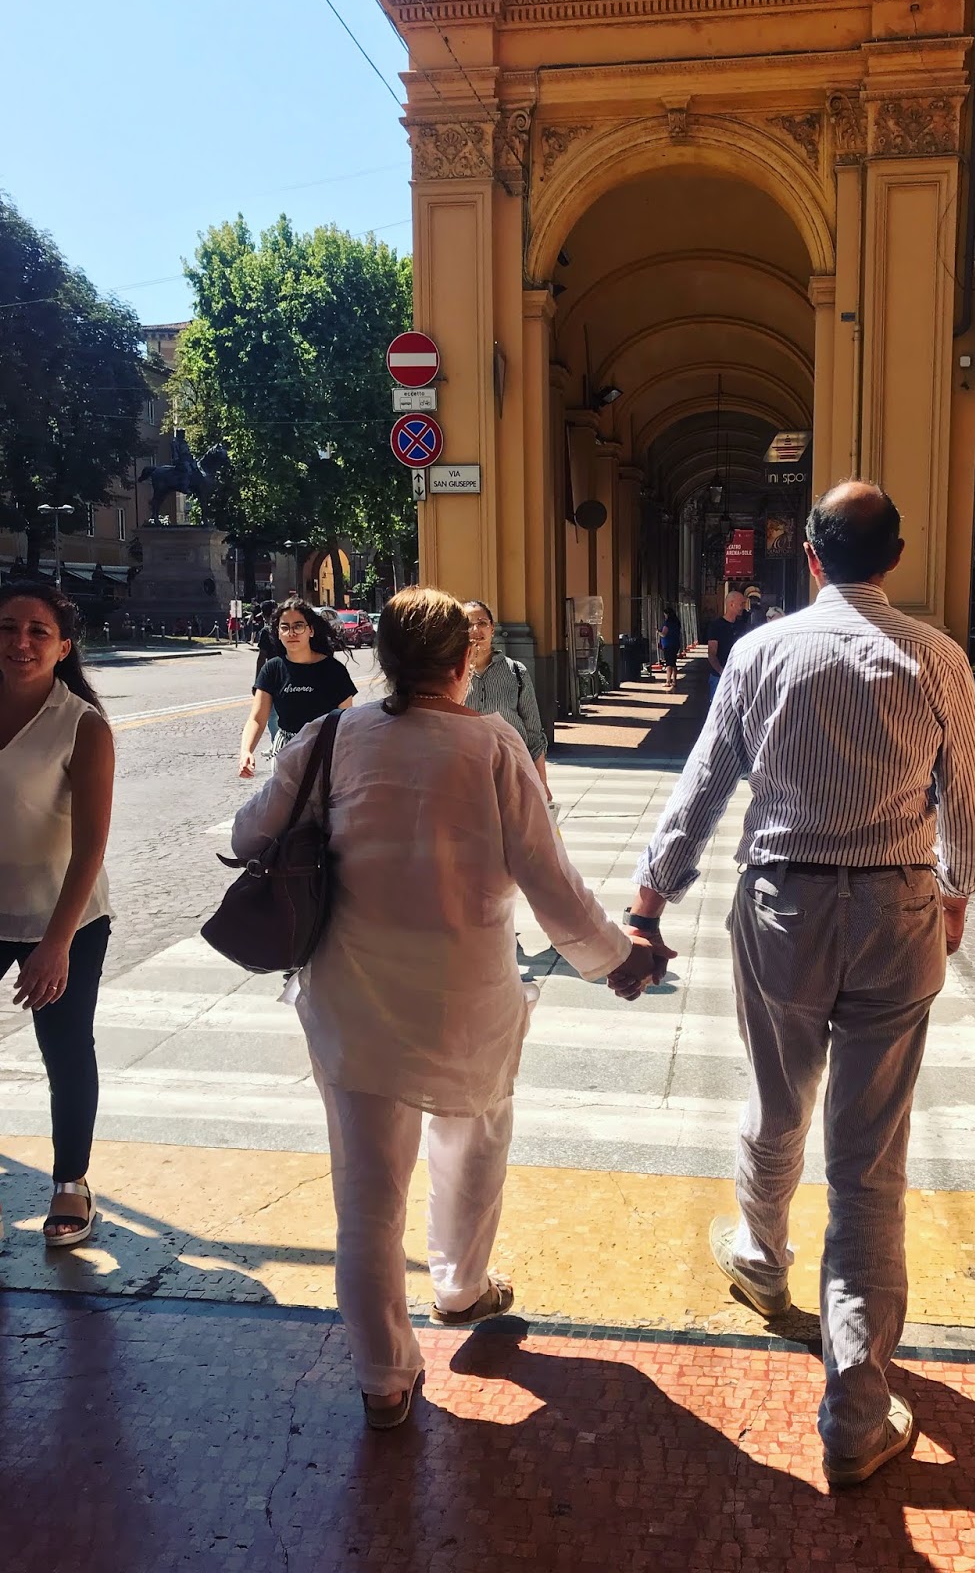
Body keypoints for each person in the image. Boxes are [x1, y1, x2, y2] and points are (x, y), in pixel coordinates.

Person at [624, 481, 975, 1488]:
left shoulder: (761, 652)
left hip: (782, 906)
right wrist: (954, 893)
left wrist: (649, 901)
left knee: (777, 1096)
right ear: (895, 557)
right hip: (896, 909)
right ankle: (856, 1414)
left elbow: (702, 786)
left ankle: (759, 1253)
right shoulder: (936, 657)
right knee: (868, 1162)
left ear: (812, 557)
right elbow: (965, 809)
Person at [229, 586, 659, 1429]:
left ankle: (384, 1379)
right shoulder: (493, 745)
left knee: (366, 1195)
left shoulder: (331, 738)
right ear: (465, 660)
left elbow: (250, 836)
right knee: (472, 1141)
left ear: (384, 658)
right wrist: (617, 960)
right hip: (467, 998)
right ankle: (461, 1287)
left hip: (351, 997)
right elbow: (550, 880)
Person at [0, 582, 114, 1248]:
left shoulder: (83, 725)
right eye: (7, 627)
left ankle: (71, 1181)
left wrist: (56, 943)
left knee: (66, 1049)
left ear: (64, 646)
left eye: (37, 631)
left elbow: (92, 846)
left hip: (64, 913)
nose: (20, 641)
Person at [238, 598, 355, 777]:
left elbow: (346, 721)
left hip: (325, 751)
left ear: (310, 630)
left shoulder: (334, 670)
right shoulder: (272, 669)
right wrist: (246, 751)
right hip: (285, 751)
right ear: (278, 633)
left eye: (298, 626)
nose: (291, 633)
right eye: (285, 627)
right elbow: (257, 719)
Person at [463, 600, 552, 803]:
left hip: (512, 774)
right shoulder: (452, 676)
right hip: (468, 776)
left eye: (482, 623)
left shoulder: (516, 672)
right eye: (468, 625)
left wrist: (542, 783)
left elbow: (533, 734)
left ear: (492, 629)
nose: (475, 630)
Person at [705, 589, 746, 703]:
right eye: (741, 604)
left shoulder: (742, 625)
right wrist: (721, 671)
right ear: (731, 604)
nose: (743, 607)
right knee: (718, 708)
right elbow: (712, 653)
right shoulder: (716, 626)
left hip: (738, 676)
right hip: (719, 677)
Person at [658, 605, 683, 691]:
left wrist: (658, 632)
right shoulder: (677, 622)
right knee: (673, 662)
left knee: (669, 663)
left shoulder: (667, 623)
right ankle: (674, 681)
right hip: (675, 644)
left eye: (665, 614)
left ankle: (668, 681)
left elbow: (664, 634)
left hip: (668, 645)